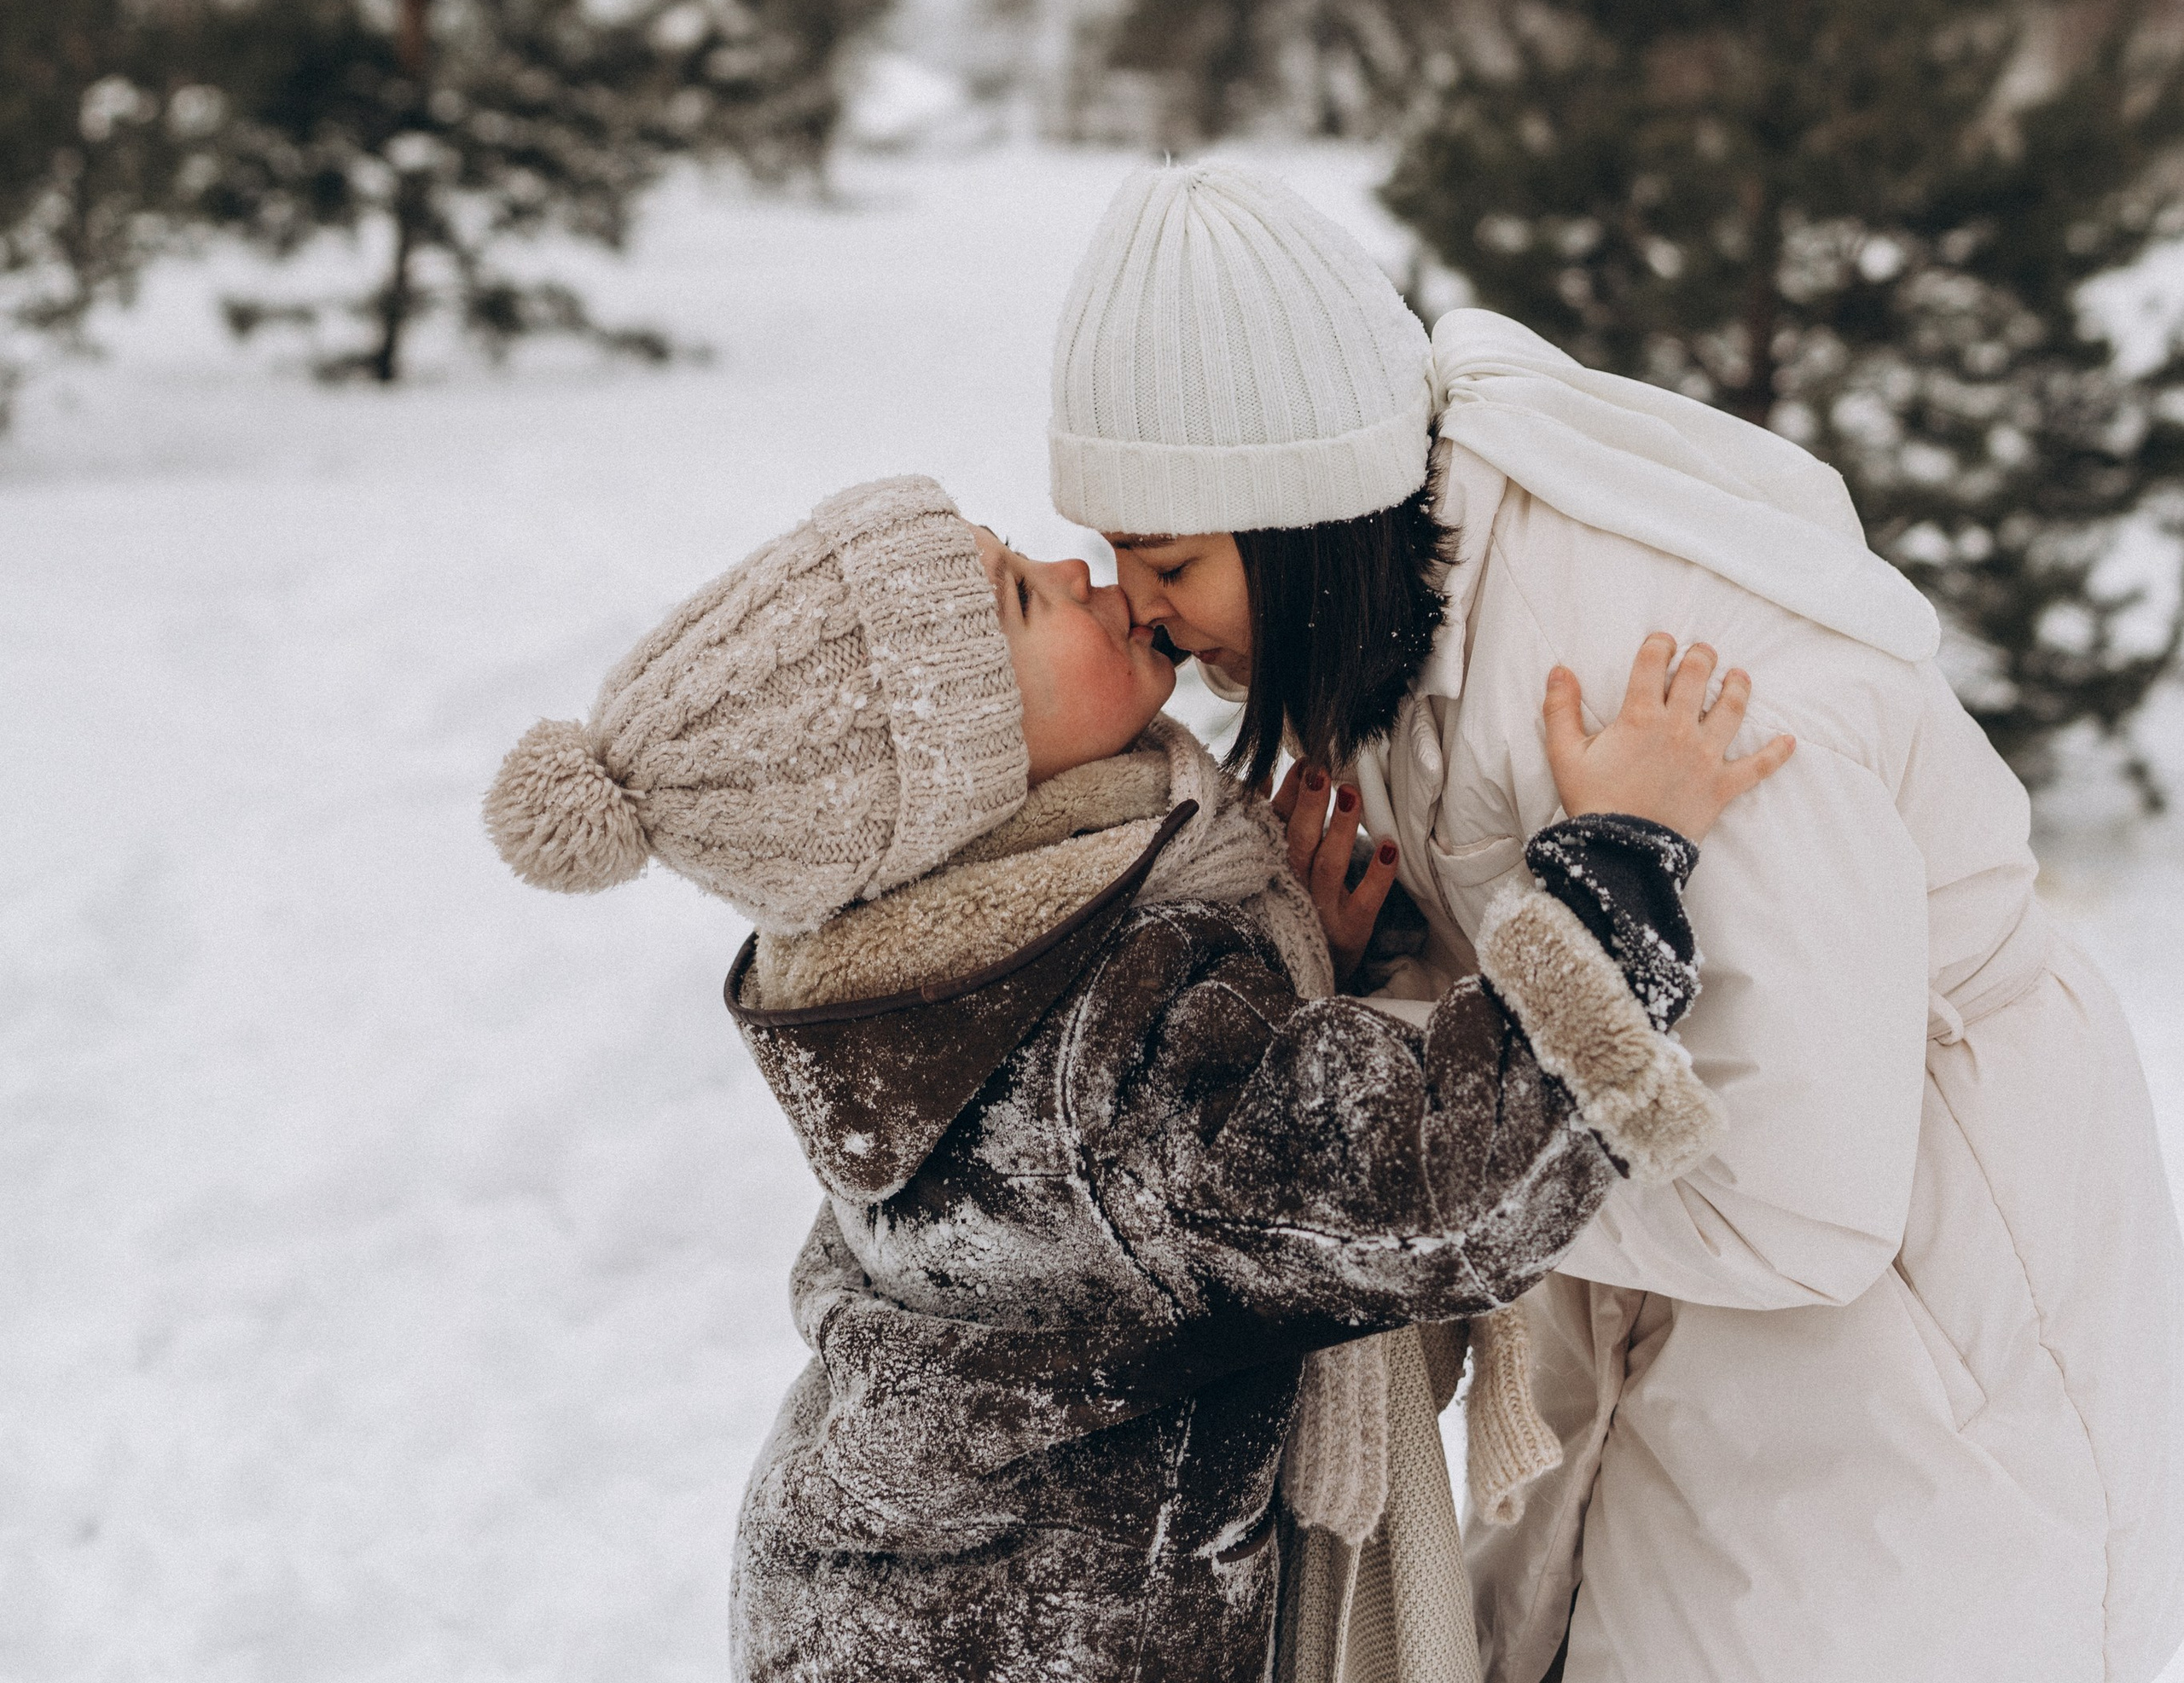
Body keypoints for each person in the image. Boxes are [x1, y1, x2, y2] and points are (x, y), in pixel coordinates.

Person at [1049, 158, 2184, 1683]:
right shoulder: (1402, 606)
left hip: (1914, 1310)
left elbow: (1806, 1199)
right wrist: (1389, 970)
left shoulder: (1658, 683)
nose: (1141, 606)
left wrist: (1414, 1123)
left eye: (1173, 560)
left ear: (1308, 515)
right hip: (1693, 1278)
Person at [483, 470, 1786, 1683]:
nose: (1079, 569)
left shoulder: (934, 983)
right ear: (959, 769)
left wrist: (1279, 969)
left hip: (884, 1601)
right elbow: (1446, 1180)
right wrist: (1622, 857)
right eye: (1023, 597)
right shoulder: (1100, 1084)